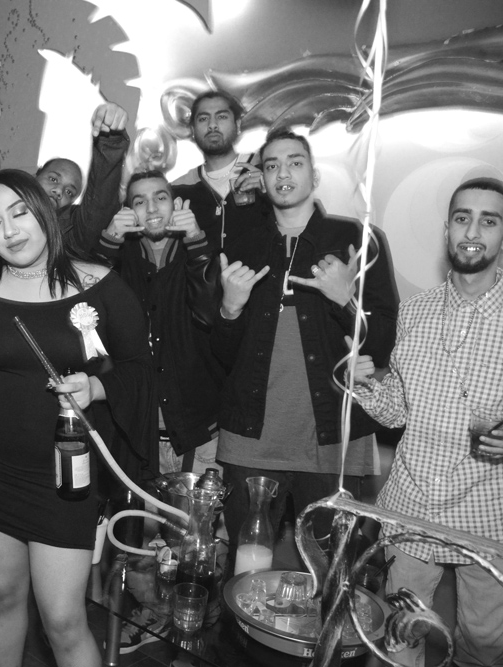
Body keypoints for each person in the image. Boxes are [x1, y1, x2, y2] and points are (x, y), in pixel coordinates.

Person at [0, 169, 156, 667]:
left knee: (63, 620)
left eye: (19, 213)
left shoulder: (100, 284)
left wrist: (96, 387)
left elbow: (140, 370)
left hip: (65, 479)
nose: (9, 231)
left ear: (45, 212)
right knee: (3, 595)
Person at [213, 129, 398, 572]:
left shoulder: (357, 239)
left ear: (314, 175)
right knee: (246, 573)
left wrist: (344, 300)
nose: (283, 173)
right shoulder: (241, 245)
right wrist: (229, 309)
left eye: (295, 162)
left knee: (331, 574)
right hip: (250, 439)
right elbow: (221, 355)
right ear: (262, 178)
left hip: (331, 437)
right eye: (272, 165)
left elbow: (383, 342)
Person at [352, 177, 503, 667]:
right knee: (400, 641)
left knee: (483, 648)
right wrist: (366, 384)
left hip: (487, 515)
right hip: (411, 506)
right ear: (446, 230)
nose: (472, 231)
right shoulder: (414, 312)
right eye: (462, 218)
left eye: (488, 220)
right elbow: (399, 410)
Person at [99, 170, 223, 477]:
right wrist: (108, 242)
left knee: (200, 512)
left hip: (200, 434)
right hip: (136, 434)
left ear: (176, 203)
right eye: (140, 201)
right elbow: (86, 316)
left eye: (160, 197)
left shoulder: (201, 249)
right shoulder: (120, 258)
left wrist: (195, 239)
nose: (152, 208)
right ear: (128, 212)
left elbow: (210, 316)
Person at [0, 103, 129, 263]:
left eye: (69, 192)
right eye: (53, 179)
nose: (58, 191)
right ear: (36, 176)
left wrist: (110, 139)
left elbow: (100, 201)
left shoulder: (73, 231)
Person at [172, 90, 268, 253]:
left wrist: (269, 192)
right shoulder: (179, 189)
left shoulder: (265, 169)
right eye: (203, 119)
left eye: (222, 116)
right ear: (193, 130)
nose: (212, 125)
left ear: (237, 125)